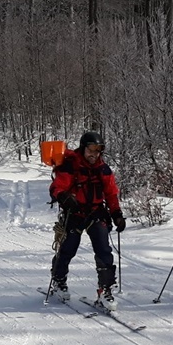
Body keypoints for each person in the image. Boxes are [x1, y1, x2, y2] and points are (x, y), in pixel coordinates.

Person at [48, 131, 126, 310]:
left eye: (98, 150)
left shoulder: (103, 169)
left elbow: (111, 194)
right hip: (74, 214)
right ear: (84, 148)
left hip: (96, 213)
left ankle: (105, 290)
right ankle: (59, 281)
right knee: (68, 248)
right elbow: (56, 187)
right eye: (91, 149)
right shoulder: (70, 166)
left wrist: (117, 214)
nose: (94, 153)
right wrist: (64, 197)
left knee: (104, 251)